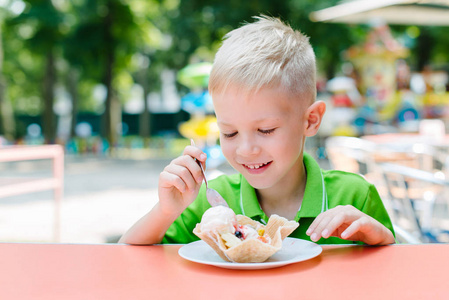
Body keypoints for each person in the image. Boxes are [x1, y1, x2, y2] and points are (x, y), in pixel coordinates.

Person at [119, 15, 395, 246]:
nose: (246, 149)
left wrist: (378, 238)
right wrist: (166, 210)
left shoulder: (354, 196)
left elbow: (396, 273)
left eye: (265, 130)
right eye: (229, 133)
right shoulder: (211, 200)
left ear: (310, 121)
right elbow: (126, 256)